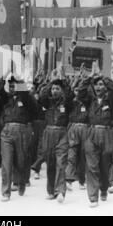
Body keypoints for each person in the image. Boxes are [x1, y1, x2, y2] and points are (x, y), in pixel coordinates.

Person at [79, 62, 113, 207]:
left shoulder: (110, 100)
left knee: (104, 165)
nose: (99, 87)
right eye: (97, 85)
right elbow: (81, 91)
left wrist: (102, 76)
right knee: (92, 166)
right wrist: (89, 78)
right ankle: (93, 197)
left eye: (101, 85)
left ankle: (104, 188)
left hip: (106, 133)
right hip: (92, 133)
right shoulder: (89, 100)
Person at [0, 74, 37, 202]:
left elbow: (26, 95)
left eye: (15, 86)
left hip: (22, 131)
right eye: (11, 86)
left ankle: (22, 182)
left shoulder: (25, 98)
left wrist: (20, 80)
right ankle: (5, 192)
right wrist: (3, 75)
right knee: (6, 162)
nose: (13, 88)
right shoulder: (6, 98)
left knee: (21, 161)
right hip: (7, 131)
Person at [38, 73, 71, 203]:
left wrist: (64, 81)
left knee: (61, 163)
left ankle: (60, 191)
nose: (55, 91)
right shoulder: (48, 102)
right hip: (49, 133)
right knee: (50, 162)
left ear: (61, 90)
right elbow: (41, 95)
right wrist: (50, 82)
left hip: (62, 133)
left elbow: (69, 94)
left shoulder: (66, 102)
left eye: (57, 88)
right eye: (53, 89)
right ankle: (51, 191)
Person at [65, 69, 91, 191]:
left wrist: (85, 80)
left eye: (78, 91)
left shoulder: (87, 101)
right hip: (73, 128)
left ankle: (82, 180)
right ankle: (69, 179)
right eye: (75, 90)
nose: (77, 93)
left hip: (85, 128)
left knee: (83, 156)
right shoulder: (70, 102)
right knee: (72, 154)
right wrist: (74, 81)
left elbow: (86, 91)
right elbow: (67, 94)